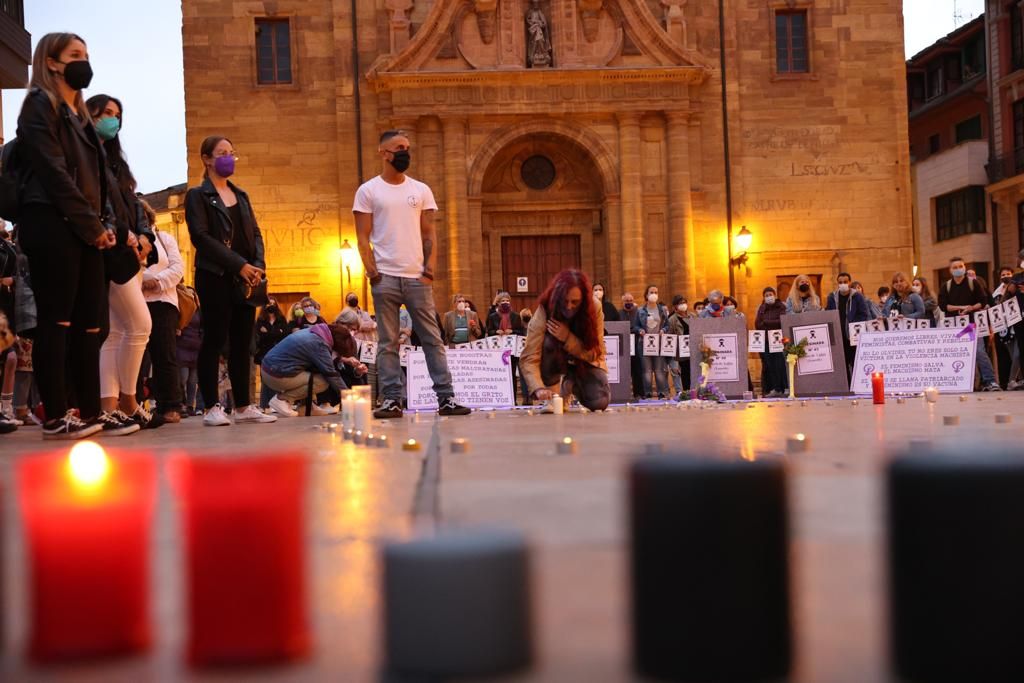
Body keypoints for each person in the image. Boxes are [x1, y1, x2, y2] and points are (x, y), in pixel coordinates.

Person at [17, 33, 113, 439]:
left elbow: (98, 180)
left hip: (86, 228)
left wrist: (102, 225)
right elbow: (55, 174)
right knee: (57, 322)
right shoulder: (39, 105)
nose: (84, 62)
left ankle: (91, 411)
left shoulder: (79, 117)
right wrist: (91, 226)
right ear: (52, 62)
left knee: (90, 325)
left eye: (87, 55)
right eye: (75, 55)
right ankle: (55, 415)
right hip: (54, 223)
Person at [353, 130, 470, 418]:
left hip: (417, 278)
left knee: (432, 338)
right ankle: (392, 399)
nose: (404, 152)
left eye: (407, 147)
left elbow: (430, 232)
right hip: (385, 279)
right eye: (398, 148)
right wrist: (372, 273)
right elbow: (362, 236)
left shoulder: (421, 190)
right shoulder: (368, 191)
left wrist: (429, 271)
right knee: (388, 342)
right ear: (383, 153)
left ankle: (446, 398)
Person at [185, 134, 277, 425]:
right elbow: (201, 237)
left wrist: (257, 266)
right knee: (214, 338)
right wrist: (239, 265)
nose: (228, 157)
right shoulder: (198, 196)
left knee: (242, 342)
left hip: (246, 278)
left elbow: (256, 234)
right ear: (207, 159)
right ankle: (211, 406)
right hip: (215, 276)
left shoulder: (242, 195)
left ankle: (243, 405)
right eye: (222, 152)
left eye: (231, 152)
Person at [87, 94, 156, 435]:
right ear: (91, 115)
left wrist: (145, 237)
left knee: (115, 333)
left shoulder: (118, 164)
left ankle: (109, 406)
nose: (113, 120)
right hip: (109, 251)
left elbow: (134, 204)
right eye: (107, 113)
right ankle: (128, 400)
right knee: (140, 325)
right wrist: (125, 234)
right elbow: (97, 206)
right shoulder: (87, 156)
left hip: (128, 253)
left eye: (118, 114)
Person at [520, 269, 610, 411]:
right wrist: (538, 388)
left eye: (575, 302)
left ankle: (569, 385)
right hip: (554, 361)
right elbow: (530, 355)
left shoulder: (595, 307)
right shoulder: (545, 309)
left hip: (584, 362)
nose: (569, 306)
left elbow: (595, 353)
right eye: (565, 301)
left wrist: (567, 338)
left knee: (599, 402)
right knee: (549, 342)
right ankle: (554, 396)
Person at [139, 199, 184, 426]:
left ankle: (171, 404)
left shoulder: (165, 239)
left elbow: (177, 268)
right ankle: (136, 402)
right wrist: (142, 282)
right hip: (136, 301)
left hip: (163, 301)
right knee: (136, 356)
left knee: (164, 354)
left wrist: (155, 282)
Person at [260, 322, 355, 417]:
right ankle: (282, 400)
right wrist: (348, 397)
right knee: (322, 381)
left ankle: (307, 406)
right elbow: (331, 373)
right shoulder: (319, 343)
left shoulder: (316, 331)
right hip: (275, 375)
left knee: (313, 371)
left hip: (269, 369)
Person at [937, 256, 1001, 391]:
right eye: (955, 267)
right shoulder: (946, 286)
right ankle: (962, 382)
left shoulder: (973, 283)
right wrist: (959, 307)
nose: (958, 269)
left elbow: (982, 301)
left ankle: (990, 381)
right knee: (957, 353)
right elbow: (943, 306)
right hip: (954, 327)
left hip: (971, 325)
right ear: (950, 270)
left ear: (964, 267)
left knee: (979, 351)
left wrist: (971, 308)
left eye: (960, 266)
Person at [825, 271, 872, 377]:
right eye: (840, 282)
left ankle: (858, 383)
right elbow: (828, 313)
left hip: (853, 336)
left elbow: (863, 314)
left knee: (855, 362)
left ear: (850, 282)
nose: (843, 284)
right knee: (842, 364)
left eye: (845, 281)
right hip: (838, 336)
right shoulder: (832, 297)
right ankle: (847, 386)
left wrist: (853, 326)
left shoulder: (857, 296)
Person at [634, 284, 670, 399]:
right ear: (646, 294)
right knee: (647, 370)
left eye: (656, 292)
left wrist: (663, 330)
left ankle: (661, 393)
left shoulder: (662, 309)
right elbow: (635, 326)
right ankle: (648, 393)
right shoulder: (640, 311)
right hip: (644, 344)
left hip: (658, 344)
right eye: (651, 292)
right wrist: (640, 330)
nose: (654, 294)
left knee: (659, 370)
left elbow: (667, 325)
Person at [256, 301, 290, 409]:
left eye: (272, 303)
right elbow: (260, 336)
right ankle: (265, 405)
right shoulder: (261, 320)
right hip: (265, 353)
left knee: (278, 377)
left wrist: (268, 333)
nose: (270, 305)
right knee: (265, 379)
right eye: (268, 303)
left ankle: (279, 403)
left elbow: (285, 334)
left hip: (279, 352)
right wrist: (277, 333)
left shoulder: (281, 320)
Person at [991, 267, 1021, 389]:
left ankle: (1012, 380)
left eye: (1008, 274)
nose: (1006, 276)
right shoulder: (998, 294)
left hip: (1017, 325)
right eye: (1003, 274)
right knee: (1012, 354)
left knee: (1018, 353)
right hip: (1005, 328)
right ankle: (1013, 381)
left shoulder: (1018, 290)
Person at [755, 287, 788, 398]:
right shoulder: (762, 308)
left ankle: (785, 388)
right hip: (766, 341)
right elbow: (758, 324)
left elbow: (782, 321)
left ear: (775, 295)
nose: (769, 297)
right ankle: (775, 388)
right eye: (766, 295)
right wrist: (768, 323)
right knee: (770, 365)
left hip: (778, 340)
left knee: (781, 364)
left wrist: (767, 322)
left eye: (770, 294)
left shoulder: (781, 306)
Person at [177, 308, 202, 415]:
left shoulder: (199, 310)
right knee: (183, 378)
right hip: (182, 347)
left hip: (196, 348)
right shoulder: (182, 308)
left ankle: (190, 405)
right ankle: (181, 403)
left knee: (192, 381)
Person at [619, 292, 643, 399]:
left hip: (636, 345)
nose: (629, 303)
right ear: (622, 302)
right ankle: (624, 393)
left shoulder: (638, 313)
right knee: (623, 370)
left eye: (630, 301)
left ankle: (639, 393)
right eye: (626, 301)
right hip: (623, 345)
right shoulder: (618, 313)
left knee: (637, 370)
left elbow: (641, 326)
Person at [667, 295, 692, 395]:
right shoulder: (672, 319)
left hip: (693, 348)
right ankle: (687, 393)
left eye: (684, 302)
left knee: (694, 371)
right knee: (685, 372)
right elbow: (669, 336)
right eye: (680, 303)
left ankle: (696, 391)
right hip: (681, 351)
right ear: (675, 306)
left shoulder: (692, 316)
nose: (683, 305)